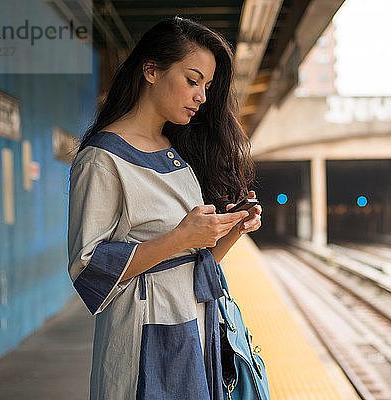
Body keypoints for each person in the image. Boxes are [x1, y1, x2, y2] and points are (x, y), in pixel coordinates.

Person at [67, 16, 262, 400]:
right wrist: (180, 237)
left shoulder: (175, 154)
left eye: (206, 85)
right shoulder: (103, 159)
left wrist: (233, 229)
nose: (202, 96)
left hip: (193, 325)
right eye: (192, 80)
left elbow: (192, 262)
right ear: (151, 70)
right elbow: (87, 267)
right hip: (143, 334)